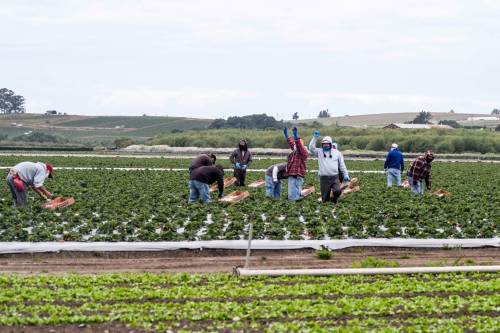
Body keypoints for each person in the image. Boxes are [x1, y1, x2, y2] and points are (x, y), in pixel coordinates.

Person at [309, 131, 350, 204]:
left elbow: (342, 165)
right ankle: (326, 207)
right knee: (325, 197)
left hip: (334, 177)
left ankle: (334, 201)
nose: (326, 145)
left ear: (330, 144)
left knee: (337, 191)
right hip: (324, 178)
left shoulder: (337, 153)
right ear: (322, 145)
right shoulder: (319, 152)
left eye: (327, 144)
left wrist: (346, 174)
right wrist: (315, 138)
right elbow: (311, 148)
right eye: (324, 144)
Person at [284, 127, 308, 201]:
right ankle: (296, 201)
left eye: (297, 144)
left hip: (297, 175)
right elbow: (292, 144)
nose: (295, 145)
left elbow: (299, 146)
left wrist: (296, 136)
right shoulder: (294, 152)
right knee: (292, 192)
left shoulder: (303, 152)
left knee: (294, 193)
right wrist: (287, 135)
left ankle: (295, 203)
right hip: (292, 174)